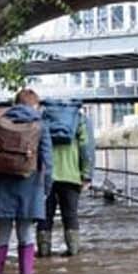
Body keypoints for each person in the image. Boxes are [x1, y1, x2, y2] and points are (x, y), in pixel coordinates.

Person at [0, 88, 52, 274]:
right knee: (25, 232)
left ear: (15, 103)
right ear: (35, 105)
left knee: (1, 233)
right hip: (29, 186)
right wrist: (46, 187)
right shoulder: (40, 125)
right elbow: (47, 161)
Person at [37, 99, 94, 258]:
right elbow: (86, 148)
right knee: (70, 215)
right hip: (71, 175)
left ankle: (43, 253)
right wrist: (87, 175)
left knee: (44, 216)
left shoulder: (43, 117)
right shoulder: (81, 119)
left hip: (44, 176)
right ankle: (74, 254)